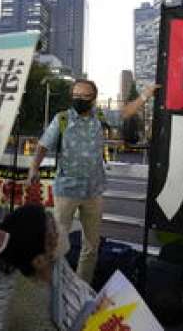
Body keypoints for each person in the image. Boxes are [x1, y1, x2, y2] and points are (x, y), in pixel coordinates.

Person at [28, 80, 157, 283]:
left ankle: (81, 285)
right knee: (55, 243)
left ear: (93, 98)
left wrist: (145, 95)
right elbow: (44, 145)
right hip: (66, 191)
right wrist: (34, 167)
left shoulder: (101, 116)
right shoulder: (62, 119)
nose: (79, 100)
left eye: (84, 96)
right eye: (76, 96)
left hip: (93, 192)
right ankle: (52, 283)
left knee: (91, 245)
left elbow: (126, 112)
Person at [0, 204, 95, 331]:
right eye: (53, 230)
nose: (59, 230)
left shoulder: (56, 262)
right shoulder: (31, 312)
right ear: (39, 261)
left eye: (53, 221)